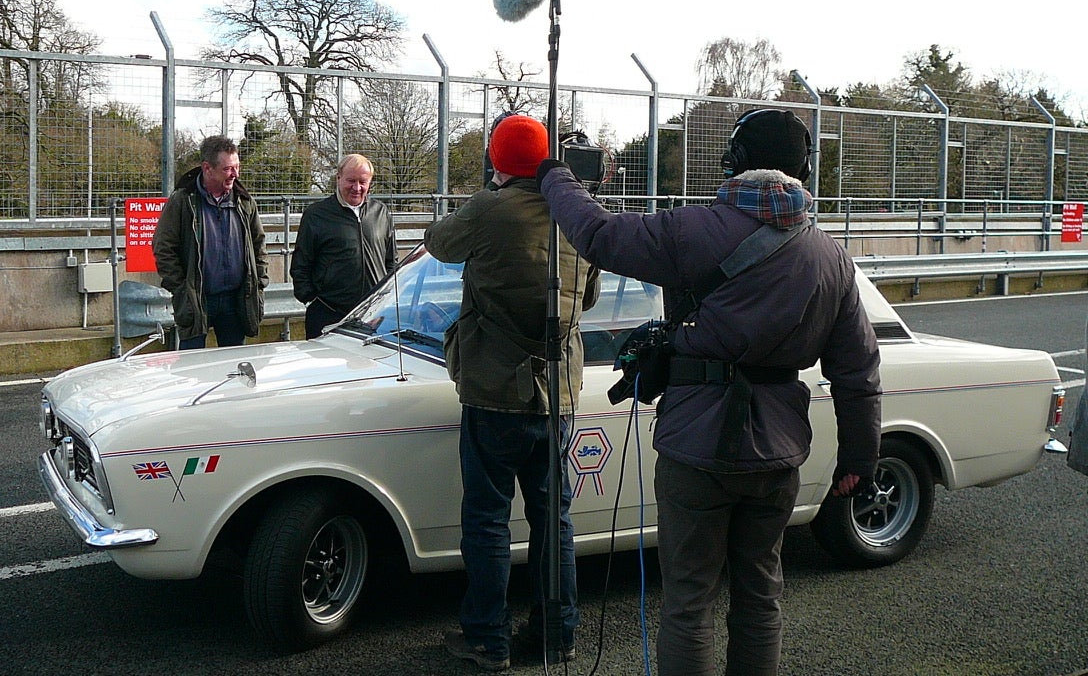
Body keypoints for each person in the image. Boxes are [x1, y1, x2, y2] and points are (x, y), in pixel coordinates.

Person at [536, 109, 882, 676]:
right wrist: (859, 459)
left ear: (735, 164)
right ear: (803, 171)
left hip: (696, 446)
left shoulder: (690, 228)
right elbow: (858, 369)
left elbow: (596, 233)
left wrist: (556, 175)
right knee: (761, 594)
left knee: (689, 603)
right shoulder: (831, 257)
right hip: (778, 450)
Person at [425, 114, 599, 672]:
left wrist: (488, 194)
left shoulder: (488, 208)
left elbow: (438, 242)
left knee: (487, 518)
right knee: (556, 518)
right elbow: (587, 298)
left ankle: (485, 638)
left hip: (494, 389)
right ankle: (558, 635)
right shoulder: (576, 213)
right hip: (558, 392)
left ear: (498, 162)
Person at [153, 135, 268, 349]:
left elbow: (259, 245)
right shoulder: (183, 201)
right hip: (197, 300)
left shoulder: (243, 201)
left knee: (235, 367)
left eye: (236, 167)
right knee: (192, 369)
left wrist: (259, 281)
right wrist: (181, 288)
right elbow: (163, 248)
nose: (235, 174)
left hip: (236, 302)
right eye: (227, 169)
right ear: (207, 168)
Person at [290, 153, 398, 338]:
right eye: (351, 181)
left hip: (373, 316)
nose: (357, 188)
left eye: (363, 182)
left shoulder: (380, 213)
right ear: (338, 178)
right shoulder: (316, 215)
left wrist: (385, 298)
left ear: (370, 182)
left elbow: (391, 261)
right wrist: (312, 301)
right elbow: (301, 265)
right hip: (328, 315)